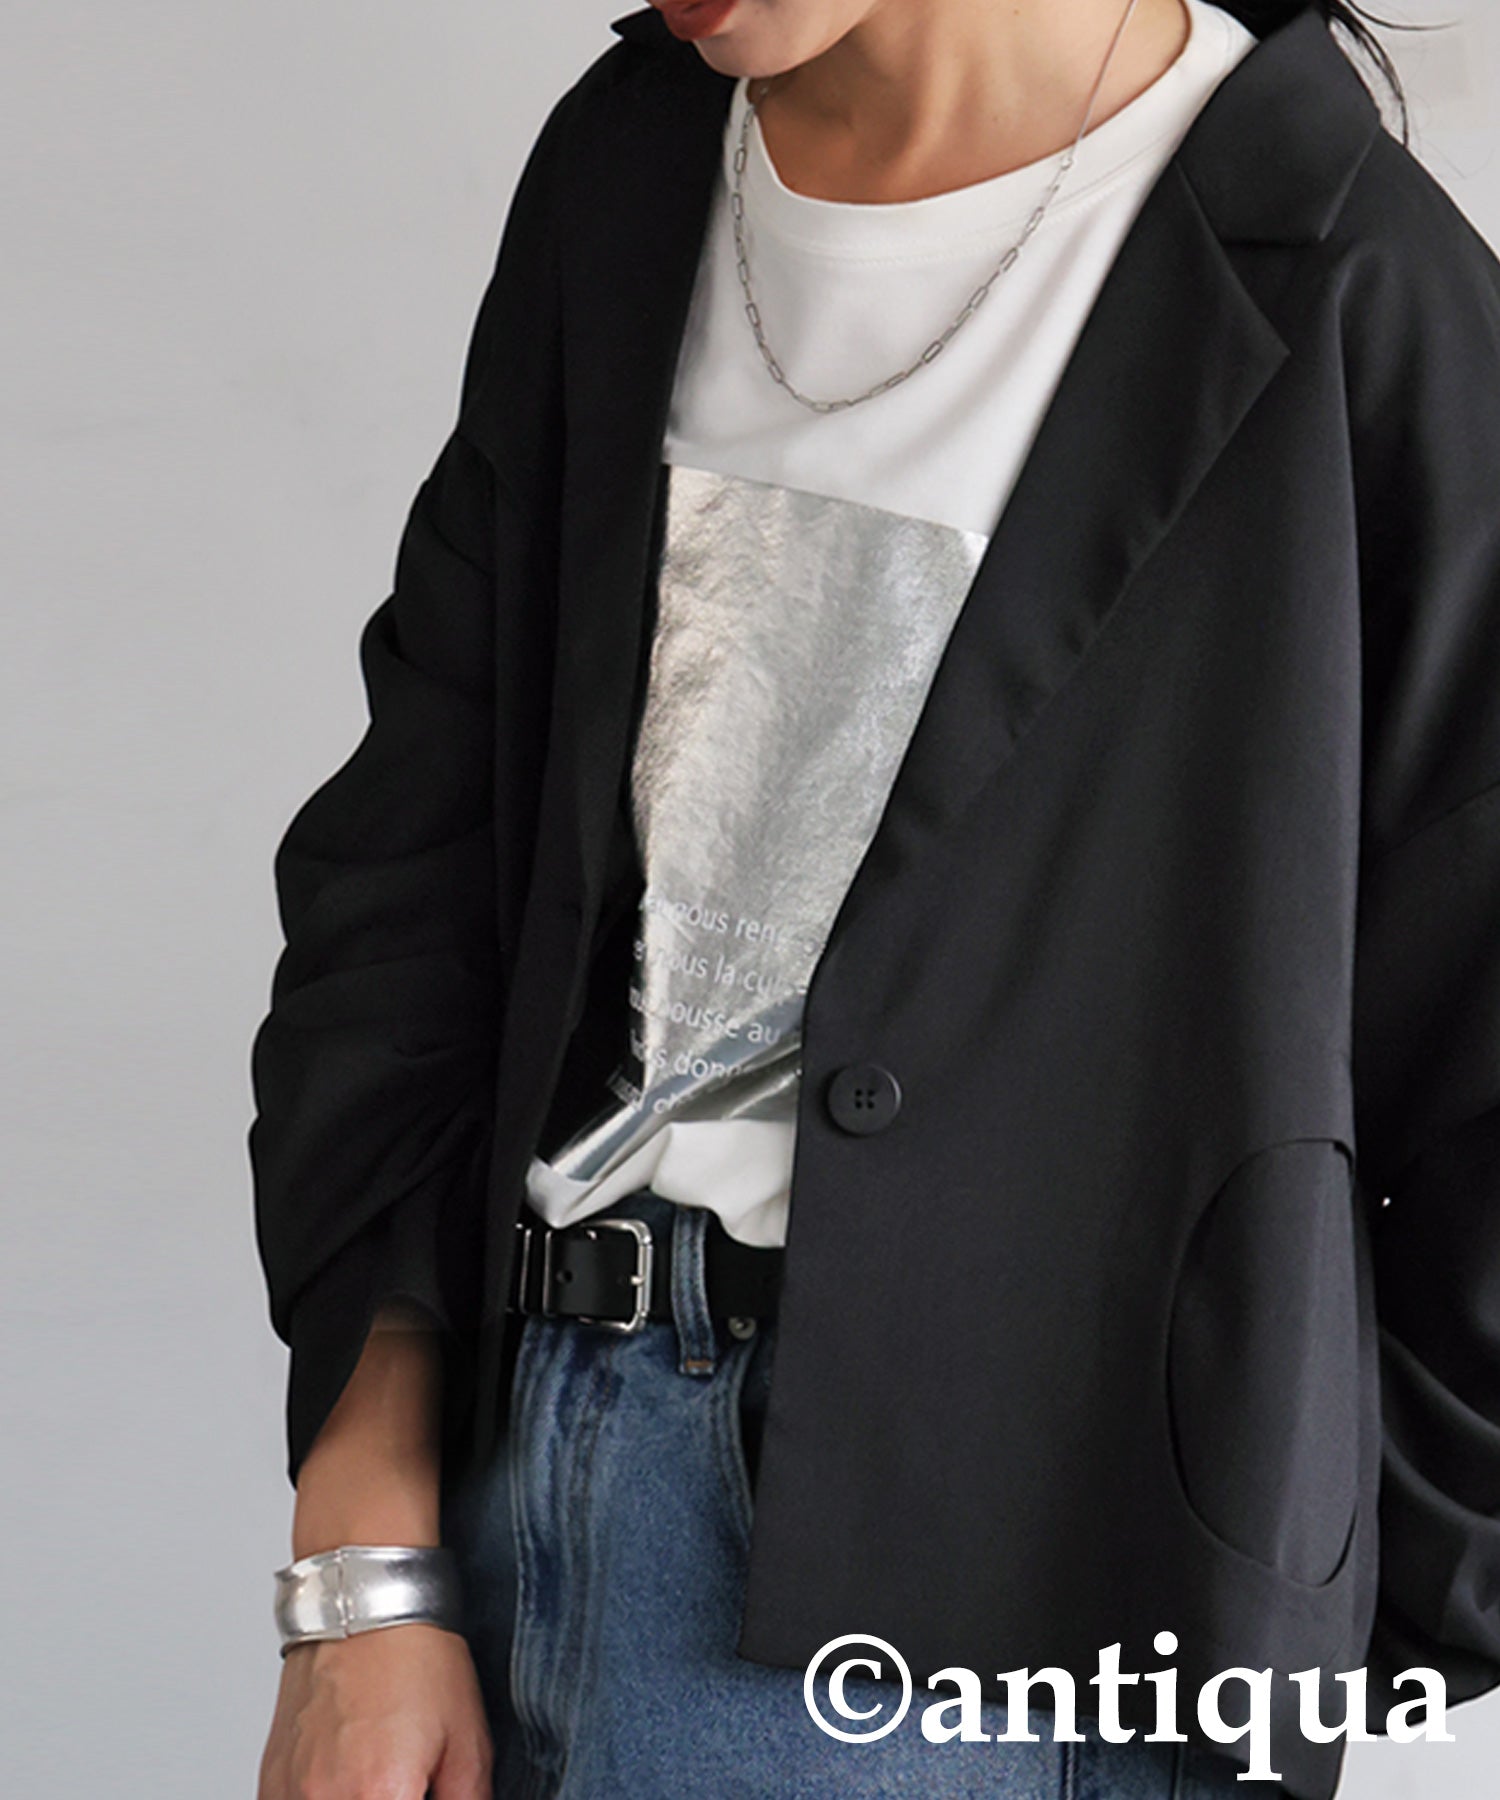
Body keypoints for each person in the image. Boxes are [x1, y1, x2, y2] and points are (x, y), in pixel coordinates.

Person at [251, 2, 1500, 1796]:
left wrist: (1269, 1590)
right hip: (511, 1504)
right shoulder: (631, 168)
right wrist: (362, 1571)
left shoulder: (1360, 295)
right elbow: (407, 886)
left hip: (995, 1646)